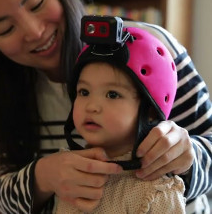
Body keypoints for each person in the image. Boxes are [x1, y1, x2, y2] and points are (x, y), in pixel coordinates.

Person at [0, 0, 211, 213]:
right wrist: (44, 177)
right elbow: (3, 192)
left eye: (37, 4)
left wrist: (188, 158)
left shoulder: (152, 53)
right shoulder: (10, 93)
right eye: (5, 29)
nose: (34, 31)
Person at [54, 23, 186, 213]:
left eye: (112, 94)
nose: (91, 106)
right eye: (84, 91)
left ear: (149, 110)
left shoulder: (155, 191)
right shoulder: (67, 174)